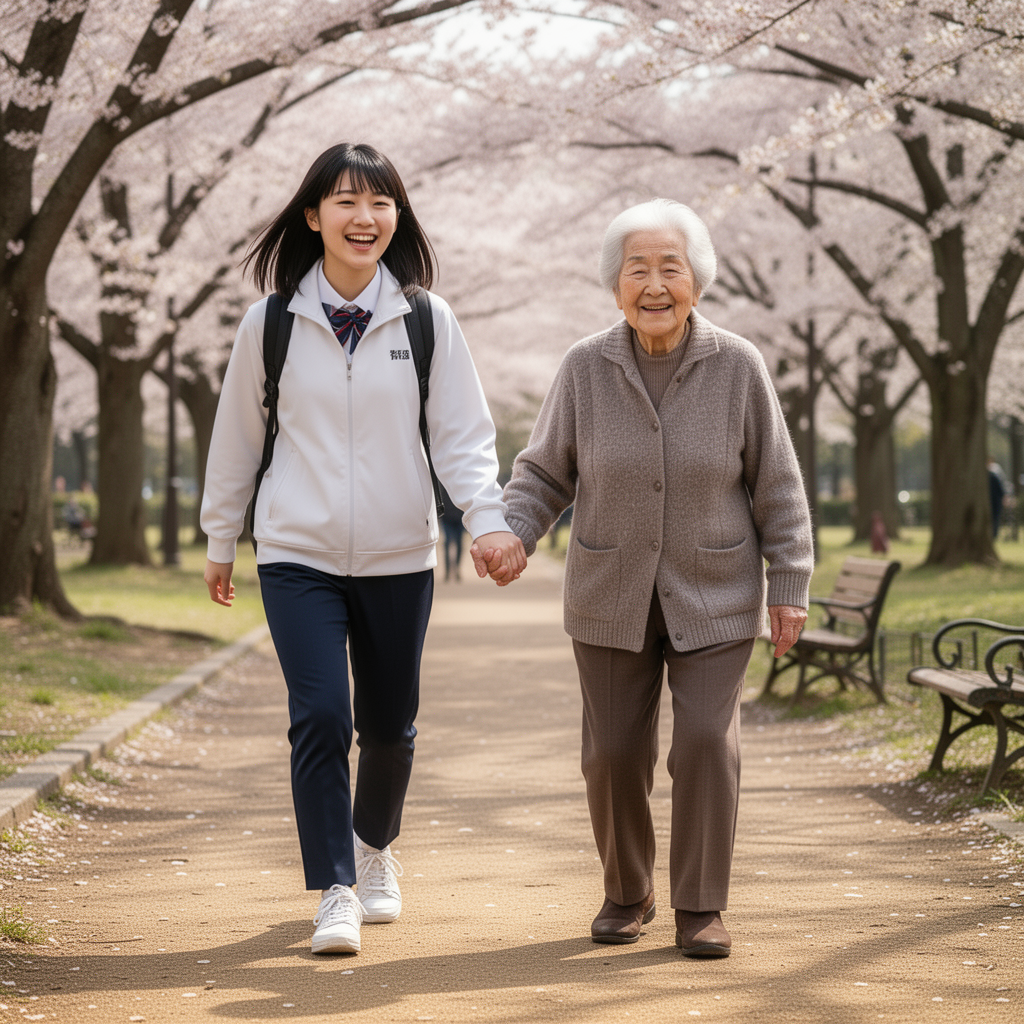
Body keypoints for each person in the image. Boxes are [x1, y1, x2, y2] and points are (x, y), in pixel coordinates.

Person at [201, 143, 526, 956]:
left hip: (397, 555)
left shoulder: (424, 319)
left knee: (389, 727)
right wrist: (220, 535)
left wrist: (485, 519)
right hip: (294, 552)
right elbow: (237, 438)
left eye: (380, 203)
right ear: (312, 216)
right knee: (319, 715)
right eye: (345, 202)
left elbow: (461, 438)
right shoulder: (270, 322)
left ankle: (378, 850)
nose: (364, 217)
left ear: (396, 218)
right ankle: (336, 887)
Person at [474, 199, 813, 957]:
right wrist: (510, 533)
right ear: (614, 283)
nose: (655, 284)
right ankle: (628, 890)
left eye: (671, 267)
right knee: (613, 754)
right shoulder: (585, 367)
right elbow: (541, 474)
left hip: (716, 592)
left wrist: (789, 582)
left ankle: (700, 904)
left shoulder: (738, 366)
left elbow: (778, 488)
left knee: (702, 742)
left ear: (698, 280)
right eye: (638, 269)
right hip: (610, 592)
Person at [439, 484, 465, 581]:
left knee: (459, 544)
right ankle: (447, 571)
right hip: (447, 520)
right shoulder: (443, 484)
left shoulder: (462, 485)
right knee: (447, 544)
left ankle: (457, 569)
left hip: (459, 520)